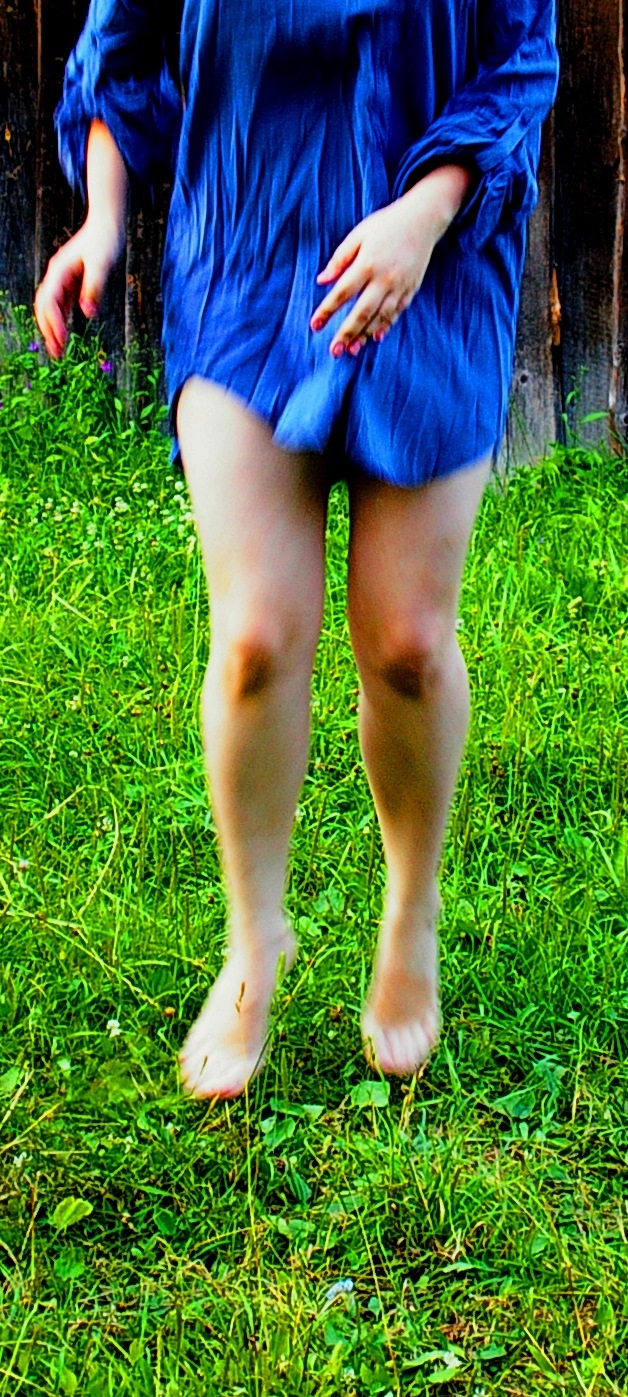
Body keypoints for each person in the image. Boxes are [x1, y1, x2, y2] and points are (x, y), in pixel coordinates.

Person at [34, 0, 559, 1099]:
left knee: (407, 644)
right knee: (256, 640)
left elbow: (520, 59)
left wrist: (426, 212)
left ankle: (410, 911)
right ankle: (253, 940)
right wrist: (104, 218)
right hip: (245, 256)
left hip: (434, 270)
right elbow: (121, 47)